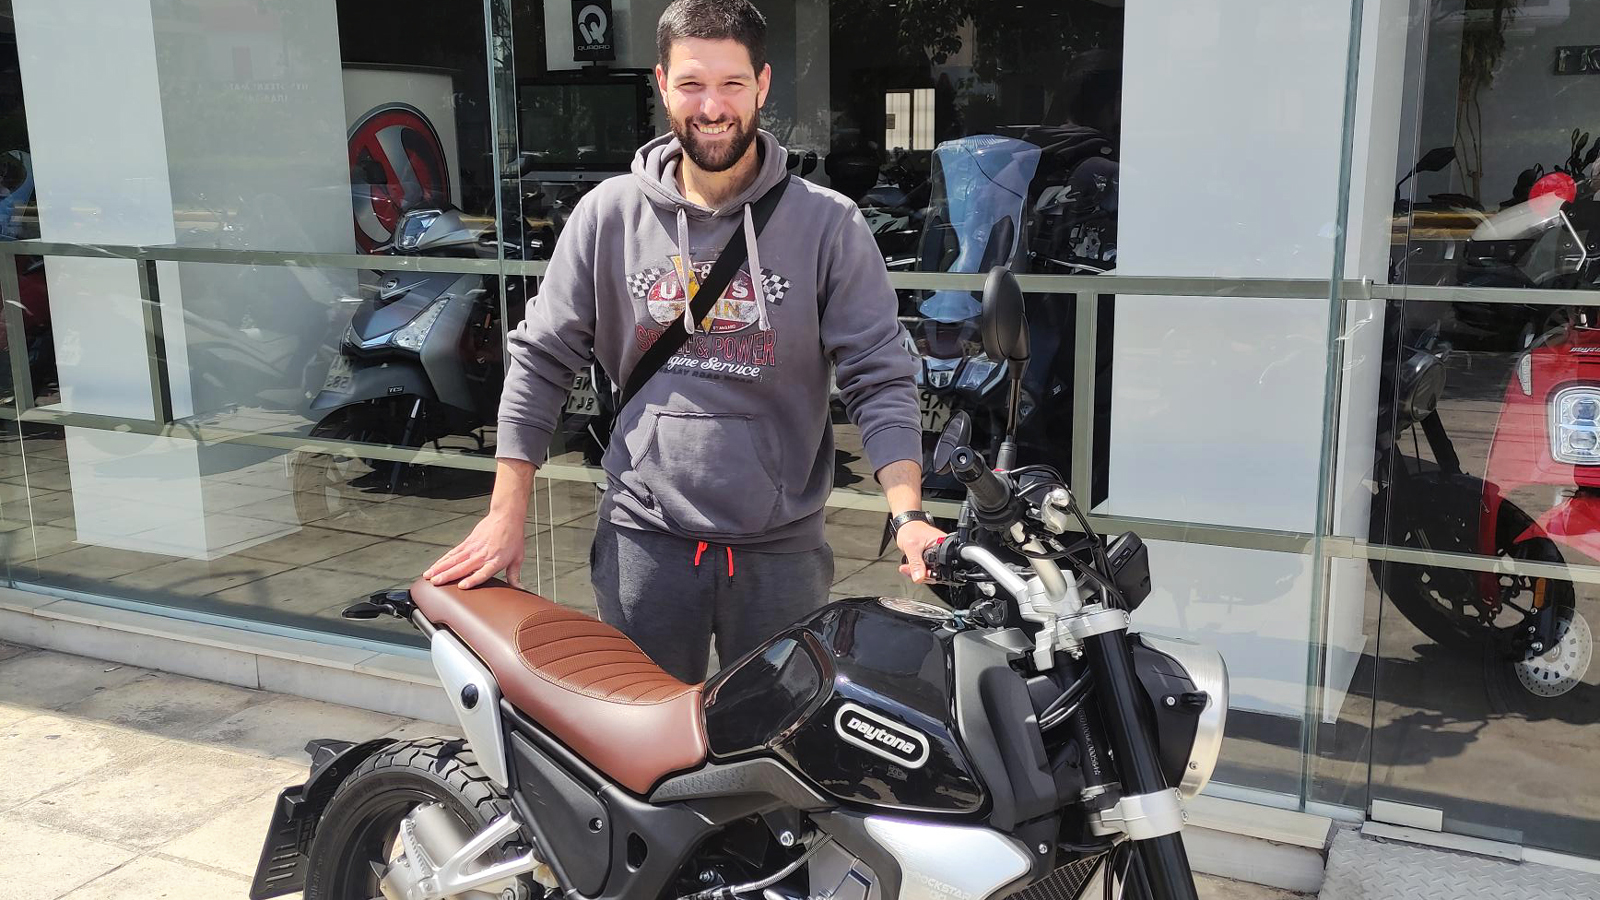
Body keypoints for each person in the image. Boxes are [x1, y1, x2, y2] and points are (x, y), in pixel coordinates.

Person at [424, 0, 943, 683]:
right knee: (637, 736)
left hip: (781, 555)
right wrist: (504, 513)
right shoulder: (608, 216)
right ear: (663, 85)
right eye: (693, 84)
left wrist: (908, 515)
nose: (712, 106)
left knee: (776, 737)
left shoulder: (828, 225)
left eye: (732, 84)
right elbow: (541, 359)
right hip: (644, 545)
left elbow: (878, 374)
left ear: (762, 86)